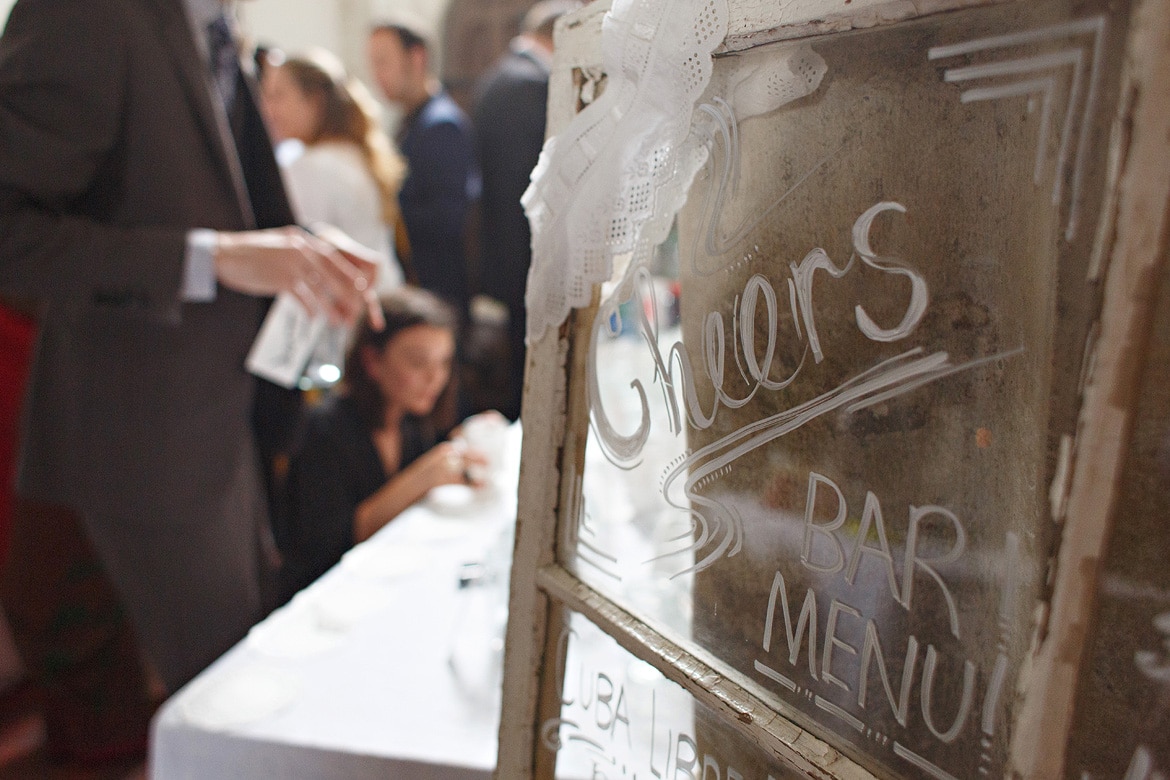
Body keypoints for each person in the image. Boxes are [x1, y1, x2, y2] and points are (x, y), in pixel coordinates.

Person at [0, 0, 382, 764]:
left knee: (250, 661)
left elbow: (225, 199)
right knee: (225, 705)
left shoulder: (213, 19)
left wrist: (307, 251)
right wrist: (209, 258)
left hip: (226, 412)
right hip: (140, 432)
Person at [277, 287, 491, 603]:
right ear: (373, 361)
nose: (435, 378)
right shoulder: (323, 429)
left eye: (444, 363)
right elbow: (332, 543)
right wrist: (423, 476)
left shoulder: (411, 421)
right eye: (419, 363)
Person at [261, 46, 408, 386]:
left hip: (345, 321)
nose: (267, 110)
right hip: (384, 298)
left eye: (278, 96)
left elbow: (298, 257)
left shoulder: (309, 166)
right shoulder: (354, 152)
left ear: (313, 101)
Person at [472, 0, 579, 421]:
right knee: (527, 382)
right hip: (524, 257)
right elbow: (532, 187)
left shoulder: (501, 76)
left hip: (505, 252)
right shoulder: (530, 84)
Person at [368, 17, 480, 320]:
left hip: (438, 295)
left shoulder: (441, 124)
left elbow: (448, 218)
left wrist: (384, 213)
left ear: (417, 58)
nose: (377, 75)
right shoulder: (408, 122)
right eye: (373, 64)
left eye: (383, 62)